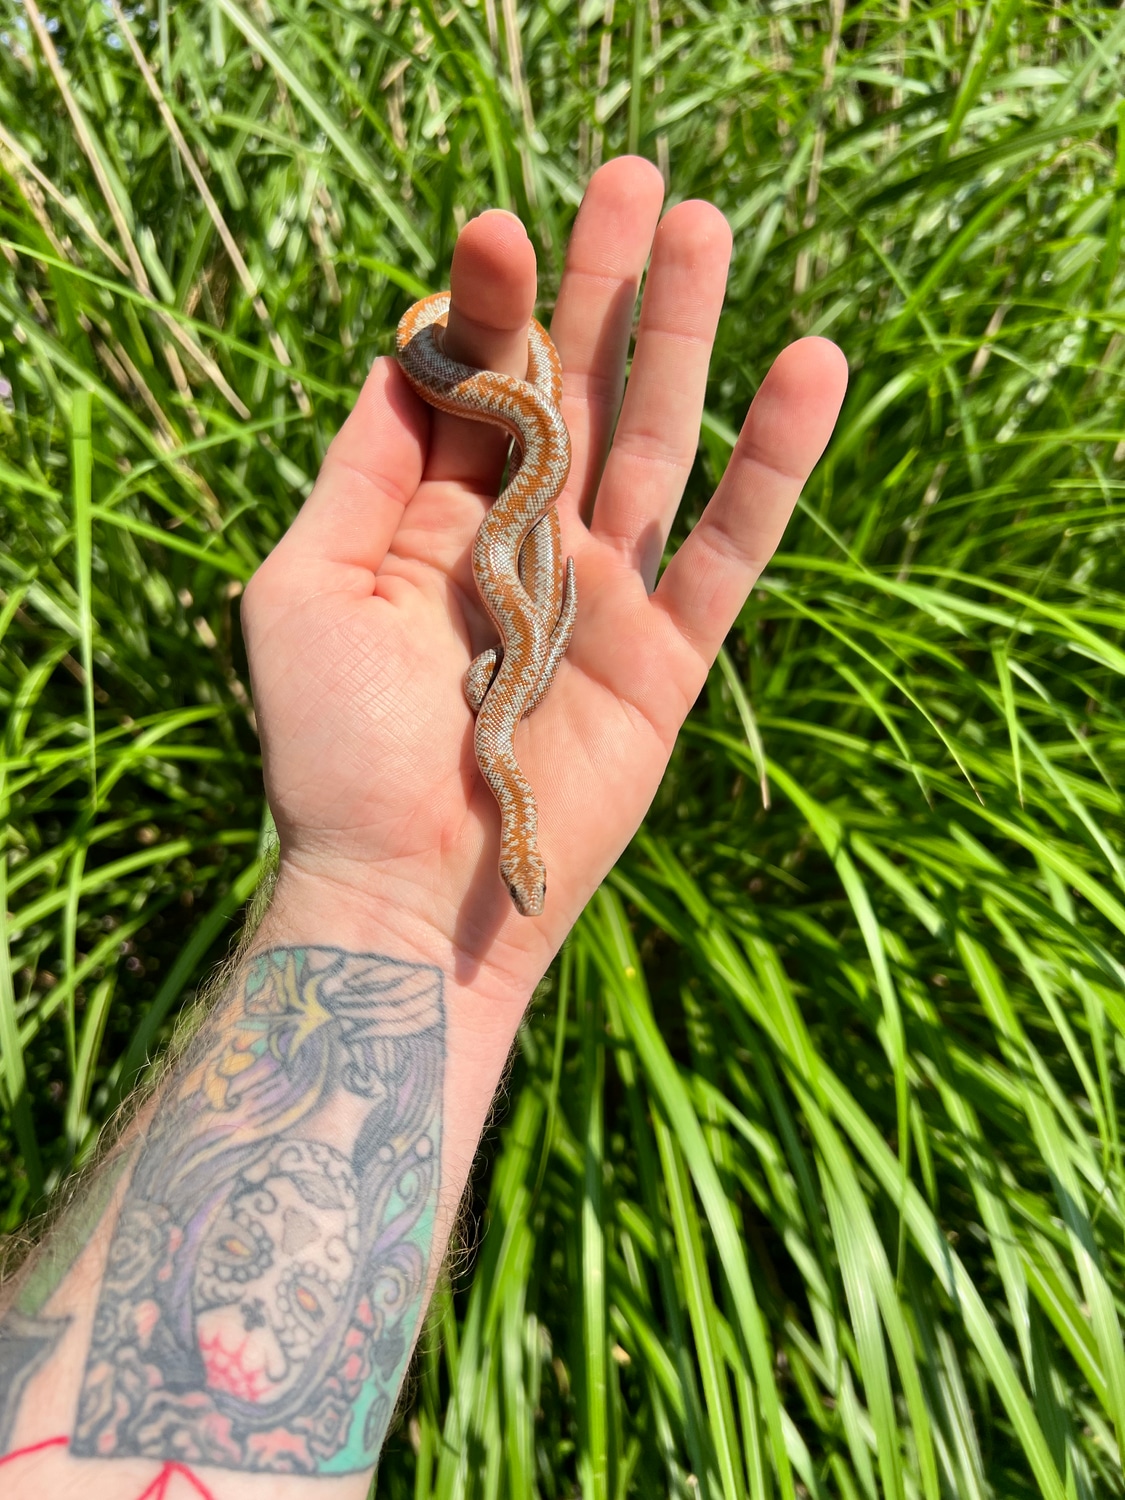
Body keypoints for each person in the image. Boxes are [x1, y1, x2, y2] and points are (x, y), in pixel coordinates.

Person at [0, 156, 847, 1496]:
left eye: (517, 871)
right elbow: (490, 695)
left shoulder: (505, 733)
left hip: (513, 631)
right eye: (515, 870)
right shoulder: (501, 737)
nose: (519, 878)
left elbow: (492, 692)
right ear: (514, 846)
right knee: (521, 534)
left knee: (521, 562)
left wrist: (370, 892)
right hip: (501, 636)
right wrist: (368, 888)